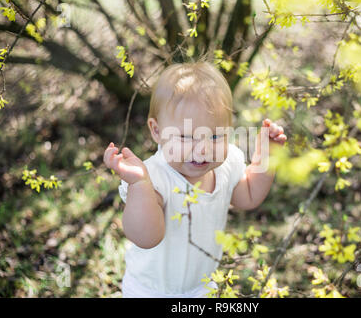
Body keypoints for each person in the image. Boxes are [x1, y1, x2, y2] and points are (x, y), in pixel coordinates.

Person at [103, 61, 287, 297]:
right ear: (157, 131)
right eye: (187, 137)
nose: (202, 150)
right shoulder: (154, 178)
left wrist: (266, 158)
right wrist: (139, 185)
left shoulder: (226, 163)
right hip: (151, 291)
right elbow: (146, 237)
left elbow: (249, 195)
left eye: (214, 136)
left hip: (202, 287)